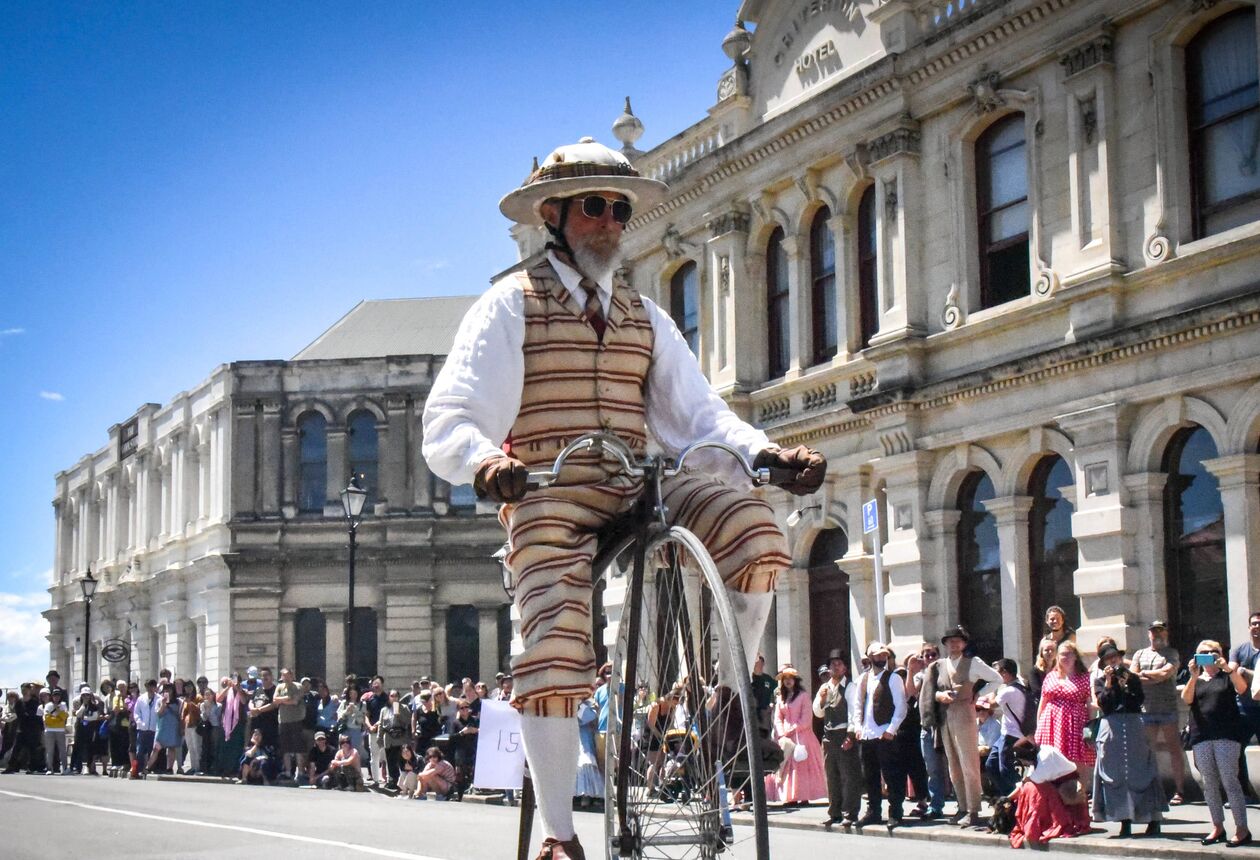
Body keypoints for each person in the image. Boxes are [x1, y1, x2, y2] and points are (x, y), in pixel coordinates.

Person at [421, 136, 826, 860]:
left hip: (639, 481)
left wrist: (765, 455)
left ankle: (728, 704)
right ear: (554, 215)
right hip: (550, 488)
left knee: (756, 531)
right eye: (593, 207)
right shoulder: (509, 306)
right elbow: (451, 416)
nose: (609, 220)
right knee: (551, 635)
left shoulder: (646, 317)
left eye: (618, 207)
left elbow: (702, 418)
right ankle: (560, 836)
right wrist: (487, 464)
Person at [920, 625, 1001, 828]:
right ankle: (962, 806)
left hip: (965, 713)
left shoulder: (972, 663)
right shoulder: (939, 665)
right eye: (950, 641)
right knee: (953, 766)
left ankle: (973, 809)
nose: (954, 644)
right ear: (946, 644)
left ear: (964, 643)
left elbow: (996, 679)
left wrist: (977, 694)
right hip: (946, 716)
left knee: (969, 764)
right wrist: (940, 696)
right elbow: (933, 690)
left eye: (958, 641)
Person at [1092, 643, 1166, 838]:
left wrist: (1126, 683)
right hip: (1112, 729)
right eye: (1109, 658)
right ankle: (1124, 821)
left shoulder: (1131, 677)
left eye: (1115, 657)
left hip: (1133, 726)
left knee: (1141, 772)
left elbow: (1138, 700)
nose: (1113, 660)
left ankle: (1153, 820)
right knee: (1116, 776)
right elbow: (1104, 704)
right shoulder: (1100, 682)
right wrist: (1109, 683)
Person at [1185, 639, 1251, 846]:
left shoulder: (1227, 675)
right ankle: (1217, 826)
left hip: (1226, 734)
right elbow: (1187, 699)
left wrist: (1227, 668)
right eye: (1204, 652)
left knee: (1230, 780)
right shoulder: (1195, 678)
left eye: (1214, 651)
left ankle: (1242, 829)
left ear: (1220, 653)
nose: (1209, 655)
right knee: (1209, 783)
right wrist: (1193, 676)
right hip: (1201, 735)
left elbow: (1242, 689)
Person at [1130, 620, 1186, 805]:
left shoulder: (1172, 653)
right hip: (1146, 708)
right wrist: (1154, 678)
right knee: (1147, 751)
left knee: (1174, 748)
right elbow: (1133, 678)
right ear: (1149, 634)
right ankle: (1150, 788)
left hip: (1167, 707)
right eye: (1154, 631)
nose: (1157, 635)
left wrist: (1146, 676)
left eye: (1161, 631)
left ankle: (1180, 790)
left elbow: (1166, 674)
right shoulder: (1140, 653)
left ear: (1166, 633)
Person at [853, 644, 907, 828]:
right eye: (878, 655)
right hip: (867, 734)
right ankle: (873, 811)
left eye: (884, 655)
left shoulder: (893, 678)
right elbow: (858, 705)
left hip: (884, 733)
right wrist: (857, 727)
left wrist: (891, 729)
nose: (881, 658)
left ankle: (896, 812)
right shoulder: (863, 679)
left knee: (892, 775)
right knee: (870, 776)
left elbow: (901, 706)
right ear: (870, 657)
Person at [1008, 739, 1091, 848]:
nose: (1023, 764)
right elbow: (1027, 778)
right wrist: (1007, 798)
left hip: (1067, 786)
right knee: (1030, 787)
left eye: (1022, 760)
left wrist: (1009, 798)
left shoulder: (1044, 760)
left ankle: (1045, 823)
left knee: (1032, 791)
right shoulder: (1040, 753)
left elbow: (1030, 781)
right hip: (1053, 781)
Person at [1035, 640, 1095, 791]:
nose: (1066, 657)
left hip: (1075, 725)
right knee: (1053, 762)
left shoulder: (1084, 677)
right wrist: (1038, 727)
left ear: (1075, 656)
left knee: (1077, 762)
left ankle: (1079, 799)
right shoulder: (1051, 676)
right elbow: (1043, 703)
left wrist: (1091, 730)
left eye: (1069, 654)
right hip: (1051, 725)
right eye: (1062, 654)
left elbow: (1089, 705)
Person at [813, 649, 861, 828]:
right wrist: (822, 699)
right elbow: (817, 712)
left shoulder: (850, 687)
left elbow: (854, 712)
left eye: (839, 664)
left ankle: (850, 812)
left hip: (843, 734)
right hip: (829, 736)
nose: (835, 667)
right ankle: (834, 812)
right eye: (832, 664)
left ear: (845, 668)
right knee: (831, 776)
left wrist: (850, 735)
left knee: (849, 776)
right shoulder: (825, 687)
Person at [768, 665, 827, 807]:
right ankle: (790, 796)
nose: (788, 681)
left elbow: (806, 719)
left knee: (801, 765)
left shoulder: (803, 696)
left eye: (790, 679)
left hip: (802, 736)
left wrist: (793, 729)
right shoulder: (781, 698)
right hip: (785, 737)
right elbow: (777, 717)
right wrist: (781, 733)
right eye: (785, 679)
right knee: (785, 766)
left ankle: (804, 795)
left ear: (795, 680)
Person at [906, 643, 946, 820]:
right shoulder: (920, 676)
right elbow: (910, 693)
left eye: (933, 655)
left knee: (954, 768)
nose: (930, 658)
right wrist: (910, 670)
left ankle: (964, 805)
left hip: (945, 725)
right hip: (927, 727)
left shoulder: (946, 671)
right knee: (932, 769)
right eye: (926, 655)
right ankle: (936, 805)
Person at [985, 658, 1033, 798]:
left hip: (1012, 735)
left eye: (997, 673)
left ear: (1004, 673)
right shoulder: (1020, 685)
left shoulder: (1008, 691)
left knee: (1005, 769)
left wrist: (992, 685)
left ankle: (1020, 795)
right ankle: (1007, 796)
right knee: (991, 765)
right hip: (1005, 734)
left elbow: (991, 704)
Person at [1230, 610, 1260, 800]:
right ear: (1249, 627)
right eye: (1254, 623)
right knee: (1237, 749)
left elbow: (1240, 671)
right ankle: (1244, 792)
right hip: (1244, 707)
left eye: (1259, 623)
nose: (1257, 626)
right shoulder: (1239, 650)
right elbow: (1232, 670)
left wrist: (1245, 671)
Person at [574, 693, 601, 807]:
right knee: (577, 766)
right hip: (575, 738)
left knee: (586, 764)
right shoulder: (577, 706)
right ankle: (576, 795)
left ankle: (588, 795)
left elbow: (591, 718)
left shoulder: (587, 706)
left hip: (586, 739)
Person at [70, 685, 104, 775]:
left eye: (87, 695)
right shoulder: (79, 705)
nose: (86, 697)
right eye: (84, 695)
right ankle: (72, 767)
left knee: (90, 748)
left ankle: (88, 767)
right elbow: (77, 714)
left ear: (90, 696)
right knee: (77, 748)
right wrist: (83, 706)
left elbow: (95, 717)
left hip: (90, 730)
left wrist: (85, 718)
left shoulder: (94, 706)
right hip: (80, 729)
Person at [41, 688, 70, 774]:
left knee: (62, 750)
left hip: (60, 730)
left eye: (58, 695)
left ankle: (64, 768)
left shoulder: (63, 705)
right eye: (54, 695)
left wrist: (57, 713)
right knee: (50, 750)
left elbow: (64, 717)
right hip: (49, 730)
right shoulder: (48, 705)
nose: (56, 697)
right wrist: (58, 717)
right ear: (52, 696)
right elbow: (47, 719)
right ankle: (49, 768)